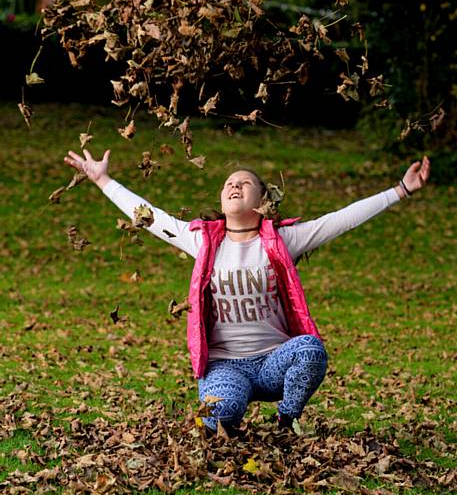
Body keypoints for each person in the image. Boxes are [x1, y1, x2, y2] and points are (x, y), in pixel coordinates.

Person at [64, 149, 431, 433]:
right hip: (226, 365)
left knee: (310, 350)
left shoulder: (283, 240)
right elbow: (149, 216)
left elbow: (340, 220)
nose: (234, 186)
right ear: (222, 200)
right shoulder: (202, 240)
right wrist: (102, 180)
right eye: (228, 183)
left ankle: (287, 419)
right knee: (217, 416)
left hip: (273, 363)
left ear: (262, 199)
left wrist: (400, 190)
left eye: (244, 183)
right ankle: (229, 408)